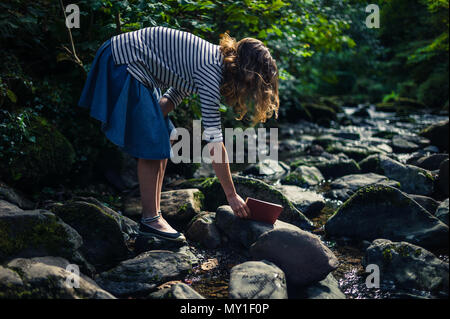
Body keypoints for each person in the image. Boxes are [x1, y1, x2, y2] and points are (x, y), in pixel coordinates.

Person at [78, 26, 279, 241]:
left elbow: (175, 92)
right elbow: (214, 140)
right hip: (123, 60)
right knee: (154, 146)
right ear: (245, 71)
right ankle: (150, 220)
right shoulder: (210, 69)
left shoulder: (211, 60)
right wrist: (231, 195)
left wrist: (153, 124)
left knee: (165, 136)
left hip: (130, 62)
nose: (250, 89)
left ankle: (153, 216)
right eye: (253, 83)